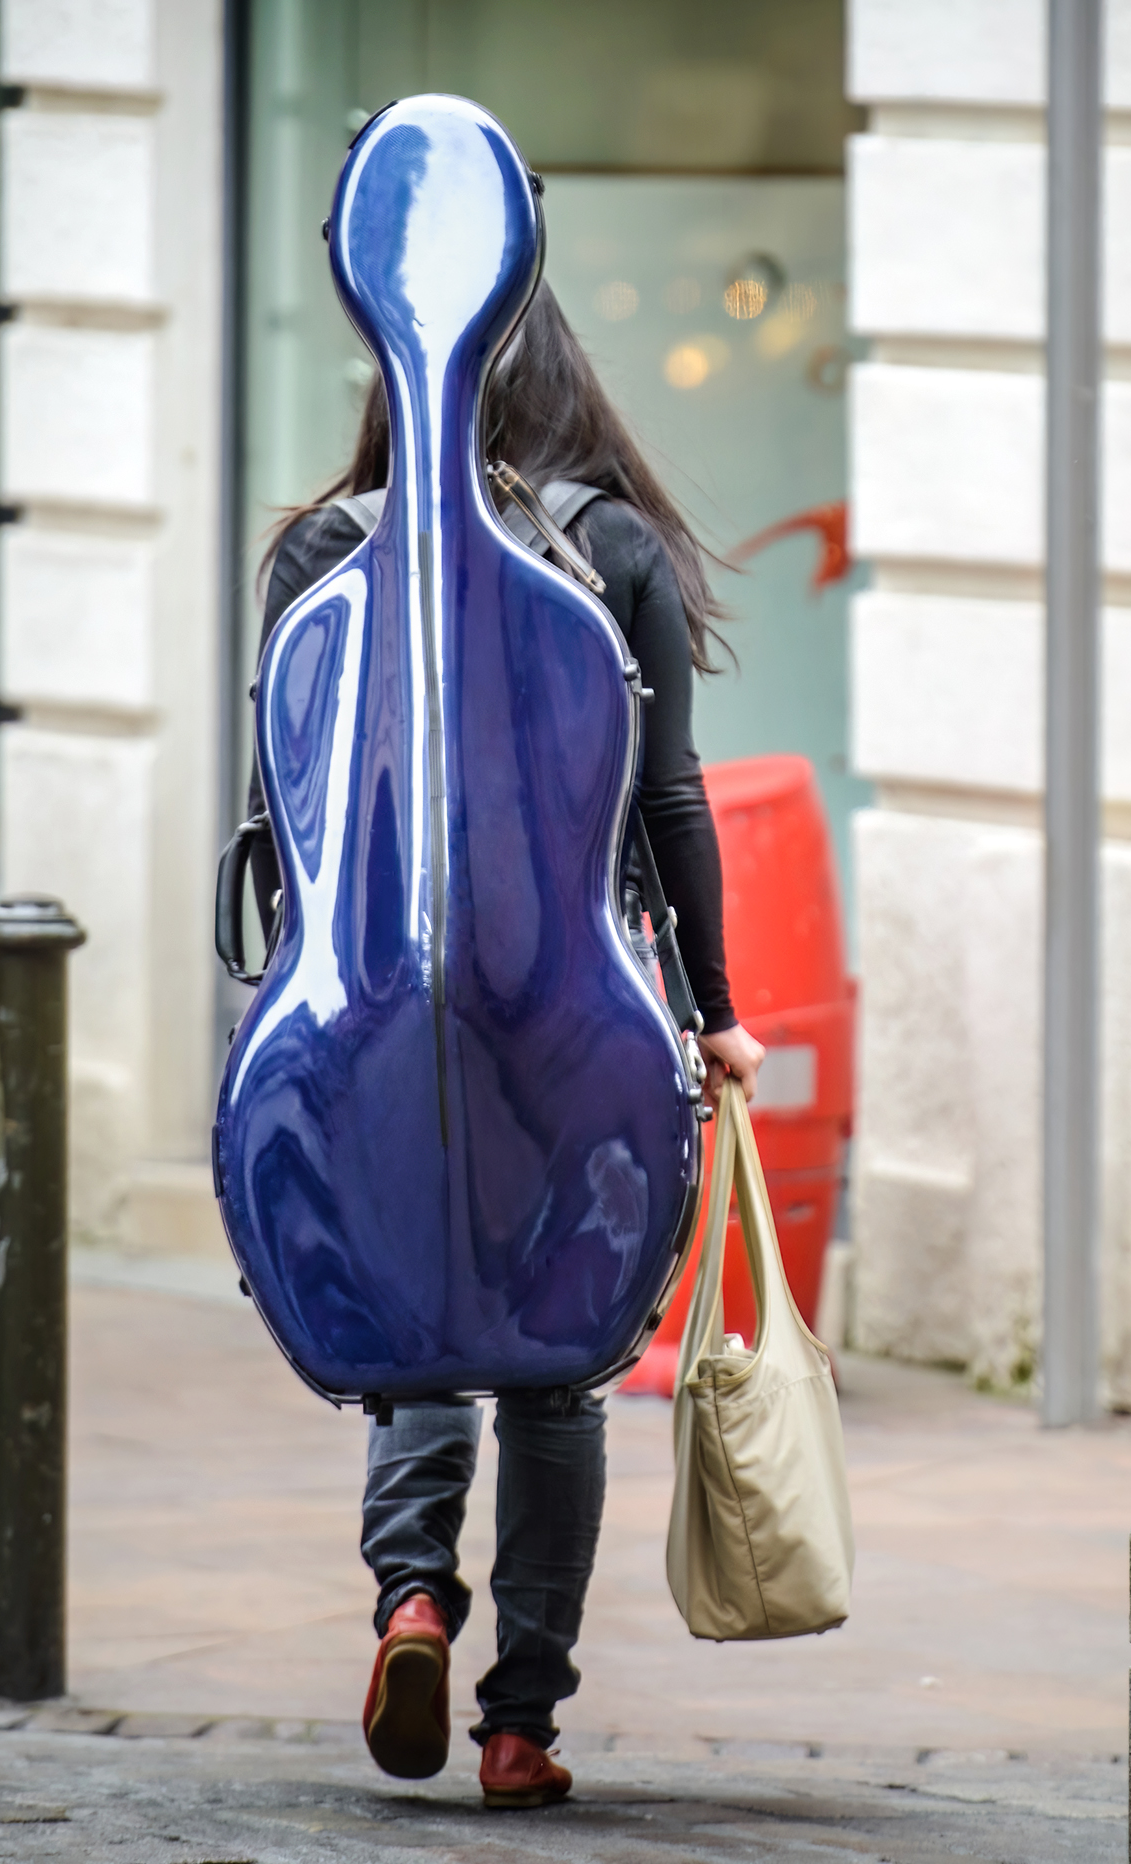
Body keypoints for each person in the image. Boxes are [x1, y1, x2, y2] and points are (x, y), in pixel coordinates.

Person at [248, 280, 767, 1809]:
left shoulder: (323, 550)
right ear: (565, 383)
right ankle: (521, 1723)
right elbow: (669, 803)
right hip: (576, 1014)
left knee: (422, 1311)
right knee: (558, 1364)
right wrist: (717, 1013)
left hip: (375, 1012)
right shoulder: (611, 549)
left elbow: (285, 814)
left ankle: (411, 1596)